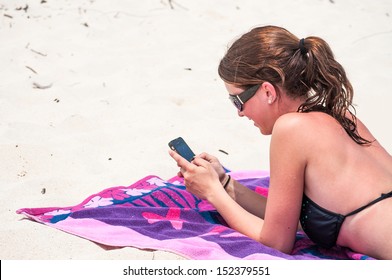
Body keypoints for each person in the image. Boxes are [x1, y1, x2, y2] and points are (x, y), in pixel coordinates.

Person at [169, 25, 392, 259]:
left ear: (268, 92)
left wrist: (212, 192)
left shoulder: (291, 128)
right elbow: (286, 221)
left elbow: (276, 242)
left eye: (237, 101)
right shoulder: (342, 116)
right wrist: (224, 182)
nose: (240, 113)